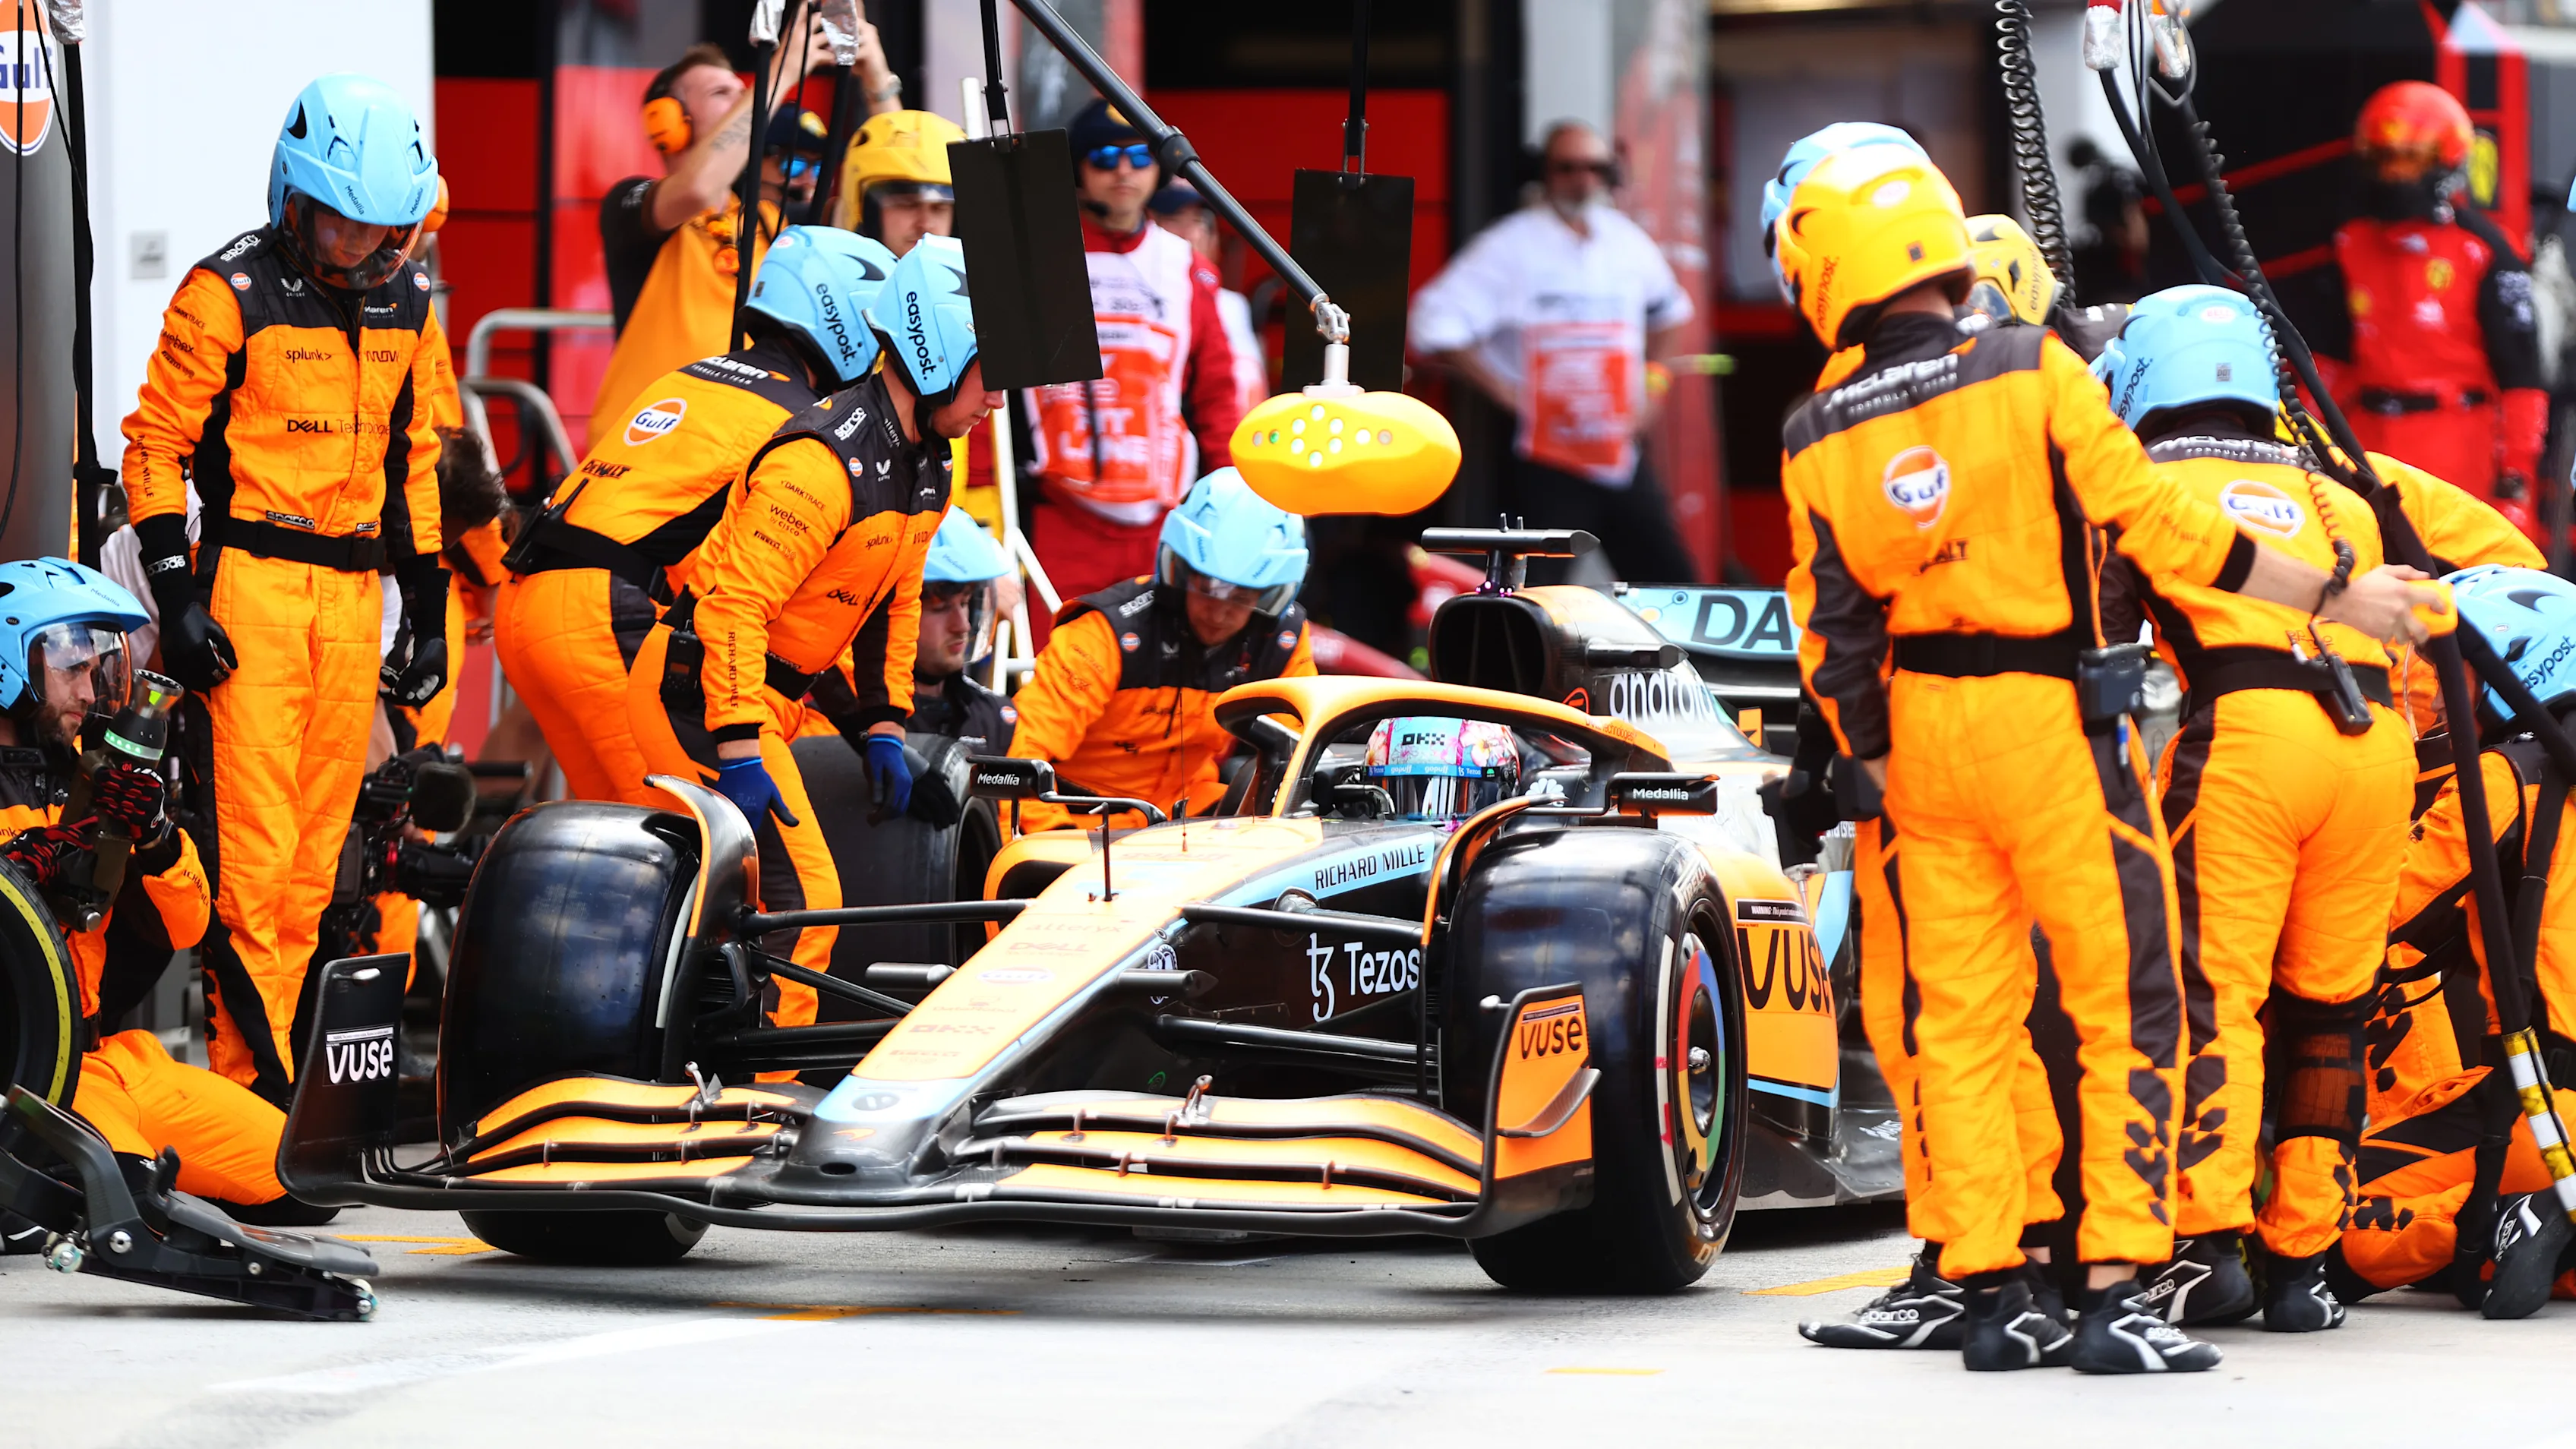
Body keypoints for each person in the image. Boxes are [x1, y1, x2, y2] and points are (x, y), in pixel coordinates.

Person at [1774, 144, 2436, 1372]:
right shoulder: (2032, 368)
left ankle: (1987, 1293)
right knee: (2124, 1004)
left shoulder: (1815, 429)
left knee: (1959, 1023)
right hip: (2055, 725)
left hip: (1920, 746)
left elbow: (1828, 628)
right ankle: (2115, 1295)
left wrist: (1869, 768)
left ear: (1819, 263)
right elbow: (2165, 526)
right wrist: (2340, 598)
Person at [2091, 286, 2417, 1331]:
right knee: (2330, 1010)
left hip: (2247, 740)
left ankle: (2205, 1242)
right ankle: (2303, 1267)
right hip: (2376, 753)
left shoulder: (2142, 484)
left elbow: (2093, 650)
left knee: (2211, 998)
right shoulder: (2342, 490)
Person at [120, 74, 448, 1106]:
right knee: (254, 872)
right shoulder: (229, 293)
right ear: (294, 200)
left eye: (384, 232)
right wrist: (177, 598)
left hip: (355, 603)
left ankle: (287, 1100)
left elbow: (417, 459)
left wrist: (430, 614)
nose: (365, 250)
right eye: (345, 227)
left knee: (317, 868)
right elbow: (153, 448)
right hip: (252, 594)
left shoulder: (410, 300)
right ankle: (253, 1097)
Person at [627, 235, 993, 1029]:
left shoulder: (930, 460)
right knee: (805, 903)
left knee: (760, 908)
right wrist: (736, 750)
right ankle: (769, 1095)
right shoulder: (820, 465)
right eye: (985, 374)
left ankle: (724, 1067)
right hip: (699, 693)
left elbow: (895, 598)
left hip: (771, 695)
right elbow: (731, 608)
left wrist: (885, 726)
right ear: (934, 357)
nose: (995, 399)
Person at [500, 226, 899, 805]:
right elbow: (798, 614)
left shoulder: (691, 376)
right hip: (609, 615)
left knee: (614, 851)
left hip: (531, 602)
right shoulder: (806, 425)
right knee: (708, 853)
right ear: (847, 320)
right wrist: (864, 722)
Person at [0, 560, 304, 1223]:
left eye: (102, 666)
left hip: (109, 1060)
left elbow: (186, 929)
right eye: (72, 666)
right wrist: (30, 865)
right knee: (138, 1206)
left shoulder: (85, 780)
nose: (93, 688)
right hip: (28, 1081)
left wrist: (156, 834)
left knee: (301, 1182)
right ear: (9, 662)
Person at [2338, 565, 2576, 1318]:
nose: (2443, 700)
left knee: (2326, 1227)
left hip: (2548, 1106)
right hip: (2540, 1105)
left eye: (2455, 678)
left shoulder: (2500, 782)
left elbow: (2375, 914)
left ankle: (2513, 1219)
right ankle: (2544, 1223)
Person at [1411, 119, 1697, 586]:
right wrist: (1506, 391)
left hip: (1619, 449)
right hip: (1547, 457)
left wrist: (1654, 386)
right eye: (1567, 167)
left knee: (1670, 586)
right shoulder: (1510, 245)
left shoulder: (1623, 240)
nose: (1582, 179)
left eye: (1595, 168)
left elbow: (1672, 313)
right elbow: (1432, 322)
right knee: (1538, 597)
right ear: (1545, 173)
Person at [587, 23, 894, 449]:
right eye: (720, 94)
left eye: (742, 90)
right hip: (649, 447)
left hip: (745, 448)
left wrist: (877, 78)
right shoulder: (631, 202)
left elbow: (899, 191)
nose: (745, 101)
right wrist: (783, 69)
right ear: (668, 122)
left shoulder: (771, 218)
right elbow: (695, 188)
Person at [1024, 99, 1247, 617]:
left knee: (1151, 682)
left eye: (1138, 156)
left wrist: (1231, 495)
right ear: (1078, 168)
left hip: (1162, 520)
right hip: (1059, 515)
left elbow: (1217, 393)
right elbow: (989, 380)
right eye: (1104, 157)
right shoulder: (1039, 258)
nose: (1123, 170)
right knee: (1055, 680)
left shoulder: (1183, 264)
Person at [1009, 468, 1313, 835]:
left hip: (1193, 821)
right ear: (1180, 571)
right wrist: (1052, 845)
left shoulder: (1282, 641)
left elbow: (1299, 752)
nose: (1218, 613)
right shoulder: (1106, 632)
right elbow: (1021, 755)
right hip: (1082, 825)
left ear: (1271, 595)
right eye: (1207, 588)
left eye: (1241, 597)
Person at [2316, 81, 2546, 539]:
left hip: (2459, 447)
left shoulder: (2482, 249)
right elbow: (2328, 362)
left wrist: (2516, 480)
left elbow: (2523, 378)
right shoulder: (2350, 243)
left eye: (2408, 158)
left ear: (2444, 159)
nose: (2393, 173)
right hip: (2368, 443)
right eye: (2383, 158)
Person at [907, 507, 1018, 754]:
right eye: (941, 608)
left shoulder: (996, 717)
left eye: (966, 603)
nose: (963, 626)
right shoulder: (846, 719)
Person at [1151, 177, 1267, 414]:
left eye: (1198, 221)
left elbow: (1250, 394)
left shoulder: (1232, 305)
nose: (1191, 233)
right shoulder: (1129, 293)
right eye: (1174, 220)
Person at [835, 108, 964, 257]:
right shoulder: (819, 277)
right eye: (908, 205)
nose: (925, 225)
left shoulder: (988, 279)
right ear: (865, 211)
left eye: (939, 208)